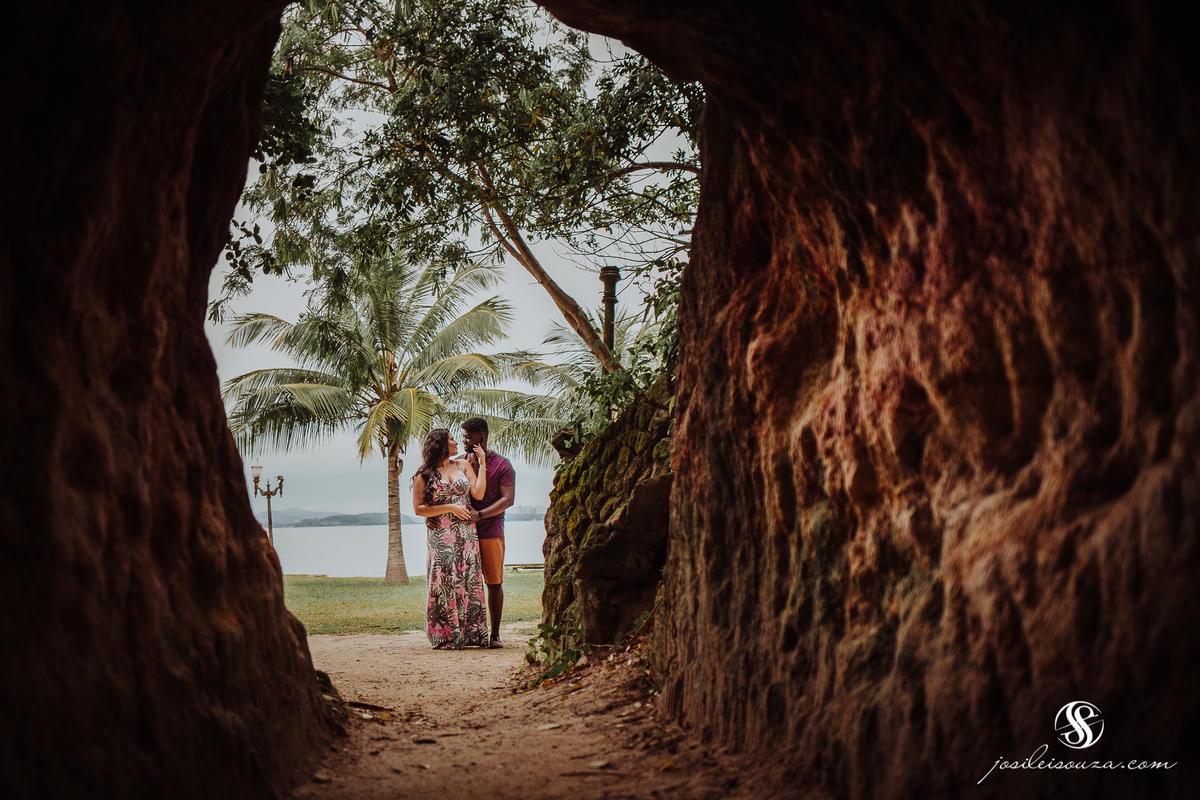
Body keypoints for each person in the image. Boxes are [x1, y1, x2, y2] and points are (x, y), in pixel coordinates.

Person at [411, 428, 490, 650]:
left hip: (466, 534)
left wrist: (482, 464)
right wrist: (451, 508)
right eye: (452, 439)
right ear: (441, 445)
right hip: (441, 536)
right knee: (444, 579)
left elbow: (478, 493)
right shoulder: (424, 474)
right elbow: (418, 509)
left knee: (468, 578)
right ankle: (445, 635)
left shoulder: (463, 465)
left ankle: (471, 634)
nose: (456, 442)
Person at [460, 418, 515, 648]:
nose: (463, 441)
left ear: (481, 438)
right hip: (463, 533)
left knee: (494, 582)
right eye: (462, 437)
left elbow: (508, 500)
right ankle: (465, 633)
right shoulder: (460, 463)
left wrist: (480, 515)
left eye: (468, 437)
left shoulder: (502, 465)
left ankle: (495, 635)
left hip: (491, 531)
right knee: (463, 584)